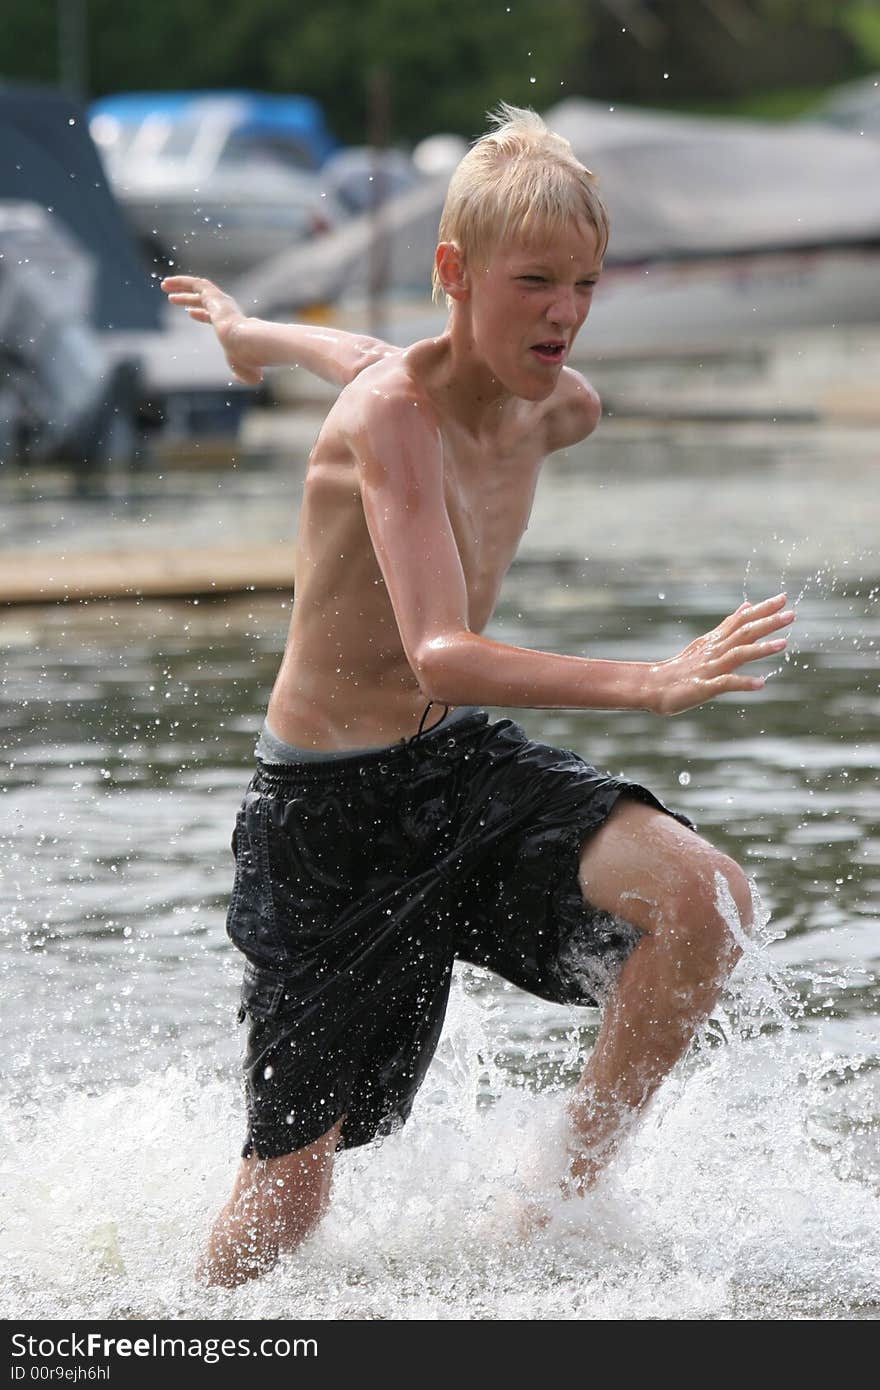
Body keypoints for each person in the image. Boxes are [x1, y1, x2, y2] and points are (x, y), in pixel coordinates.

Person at [162, 102, 794, 1287]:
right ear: (454, 274)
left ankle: (554, 1201)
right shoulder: (390, 418)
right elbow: (438, 649)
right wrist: (645, 681)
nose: (563, 313)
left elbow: (350, 350)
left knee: (706, 899)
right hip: (324, 822)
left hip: (455, 771)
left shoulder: (564, 406)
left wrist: (255, 336)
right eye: (535, 282)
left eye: (587, 286)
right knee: (291, 1199)